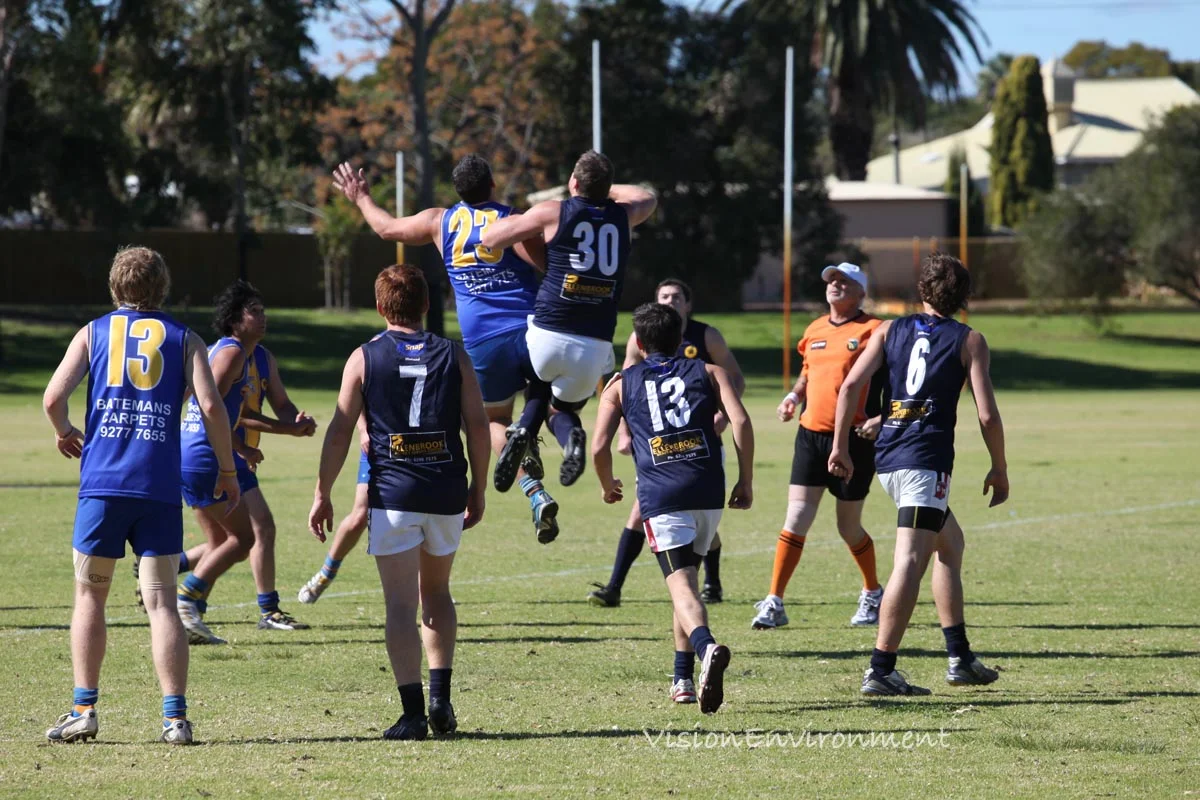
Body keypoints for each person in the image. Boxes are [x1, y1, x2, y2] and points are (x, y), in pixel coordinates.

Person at [41, 246, 240, 745]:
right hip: (157, 487)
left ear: (114, 286)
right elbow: (213, 406)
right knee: (163, 604)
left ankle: (83, 708)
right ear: (163, 287)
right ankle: (175, 719)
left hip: (103, 486)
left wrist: (65, 429)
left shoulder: (93, 332)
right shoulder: (185, 338)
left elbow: (52, 397)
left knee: (91, 596)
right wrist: (227, 469)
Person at [331, 155, 559, 544]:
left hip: (481, 340)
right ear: (491, 186)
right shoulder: (513, 220)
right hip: (527, 329)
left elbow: (386, 229)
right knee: (557, 393)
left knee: (495, 421)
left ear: (458, 191)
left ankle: (534, 492)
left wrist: (361, 197)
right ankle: (556, 436)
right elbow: (549, 265)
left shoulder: (441, 221)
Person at [309, 264, 491, 740]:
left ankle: (413, 713)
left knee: (399, 605)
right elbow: (477, 425)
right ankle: (441, 700)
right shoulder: (456, 355)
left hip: (394, 495)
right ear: (427, 306)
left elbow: (339, 432)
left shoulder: (364, 357)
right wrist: (480, 486)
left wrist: (322, 493)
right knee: (438, 593)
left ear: (379, 307)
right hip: (446, 488)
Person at [829, 253, 1009, 696]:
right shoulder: (970, 340)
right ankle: (881, 668)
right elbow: (986, 415)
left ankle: (960, 657)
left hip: (889, 458)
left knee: (951, 544)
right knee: (910, 560)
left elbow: (851, 385)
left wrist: (839, 446)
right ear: (964, 297)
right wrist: (999, 467)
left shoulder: (890, 328)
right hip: (924, 461)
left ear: (922, 291)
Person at [592, 303, 753, 711]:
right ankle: (682, 677)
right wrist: (746, 480)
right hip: (707, 491)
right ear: (682, 340)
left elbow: (598, 446)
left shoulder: (620, 384)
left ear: (640, 344)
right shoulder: (711, 372)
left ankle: (705, 649)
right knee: (686, 584)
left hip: (663, 496)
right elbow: (742, 422)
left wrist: (607, 483)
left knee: (681, 587)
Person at [482, 150, 657, 492]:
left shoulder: (554, 211)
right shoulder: (623, 215)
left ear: (573, 182)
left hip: (549, 329)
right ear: (606, 188)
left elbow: (491, 238)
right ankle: (566, 438)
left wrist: (526, 228)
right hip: (595, 342)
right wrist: (605, 189)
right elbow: (646, 195)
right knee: (561, 408)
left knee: (538, 377)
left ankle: (521, 431)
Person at [151, 282, 317, 628]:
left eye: (262, 310)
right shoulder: (229, 353)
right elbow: (211, 409)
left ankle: (174, 576)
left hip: (225, 455)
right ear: (233, 319)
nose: (262, 317)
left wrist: (295, 421)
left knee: (229, 540)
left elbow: (275, 406)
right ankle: (188, 599)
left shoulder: (261, 357)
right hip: (210, 457)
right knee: (245, 538)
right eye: (254, 311)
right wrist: (256, 442)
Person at [587, 279, 744, 607]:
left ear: (688, 305)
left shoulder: (707, 337)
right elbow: (630, 388)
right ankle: (616, 586)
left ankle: (706, 584)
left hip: (698, 442)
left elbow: (734, 379)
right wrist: (625, 432)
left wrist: (723, 415)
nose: (670, 301)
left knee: (691, 516)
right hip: (659, 444)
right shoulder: (639, 336)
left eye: (676, 297)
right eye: (664, 296)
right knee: (662, 513)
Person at [750, 263, 887, 630]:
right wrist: (793, 396)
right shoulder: (814, 329)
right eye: (831, 280)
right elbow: (809, 371)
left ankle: (873, 592)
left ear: (861, 292)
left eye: (845, 282)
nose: (836, 285)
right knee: (796, 517)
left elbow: (893, 380)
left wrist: (882, 418)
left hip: (854, 440)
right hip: (810, 435)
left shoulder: (874, 330)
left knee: (848, 526)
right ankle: (774, 601)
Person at [297, 414, 371, 604]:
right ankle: (326, 573)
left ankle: (428, 590)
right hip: (380, 444)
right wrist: (364, 430)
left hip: (426, 447)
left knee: (424, 514)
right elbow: (359, 393)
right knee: (360, 516)